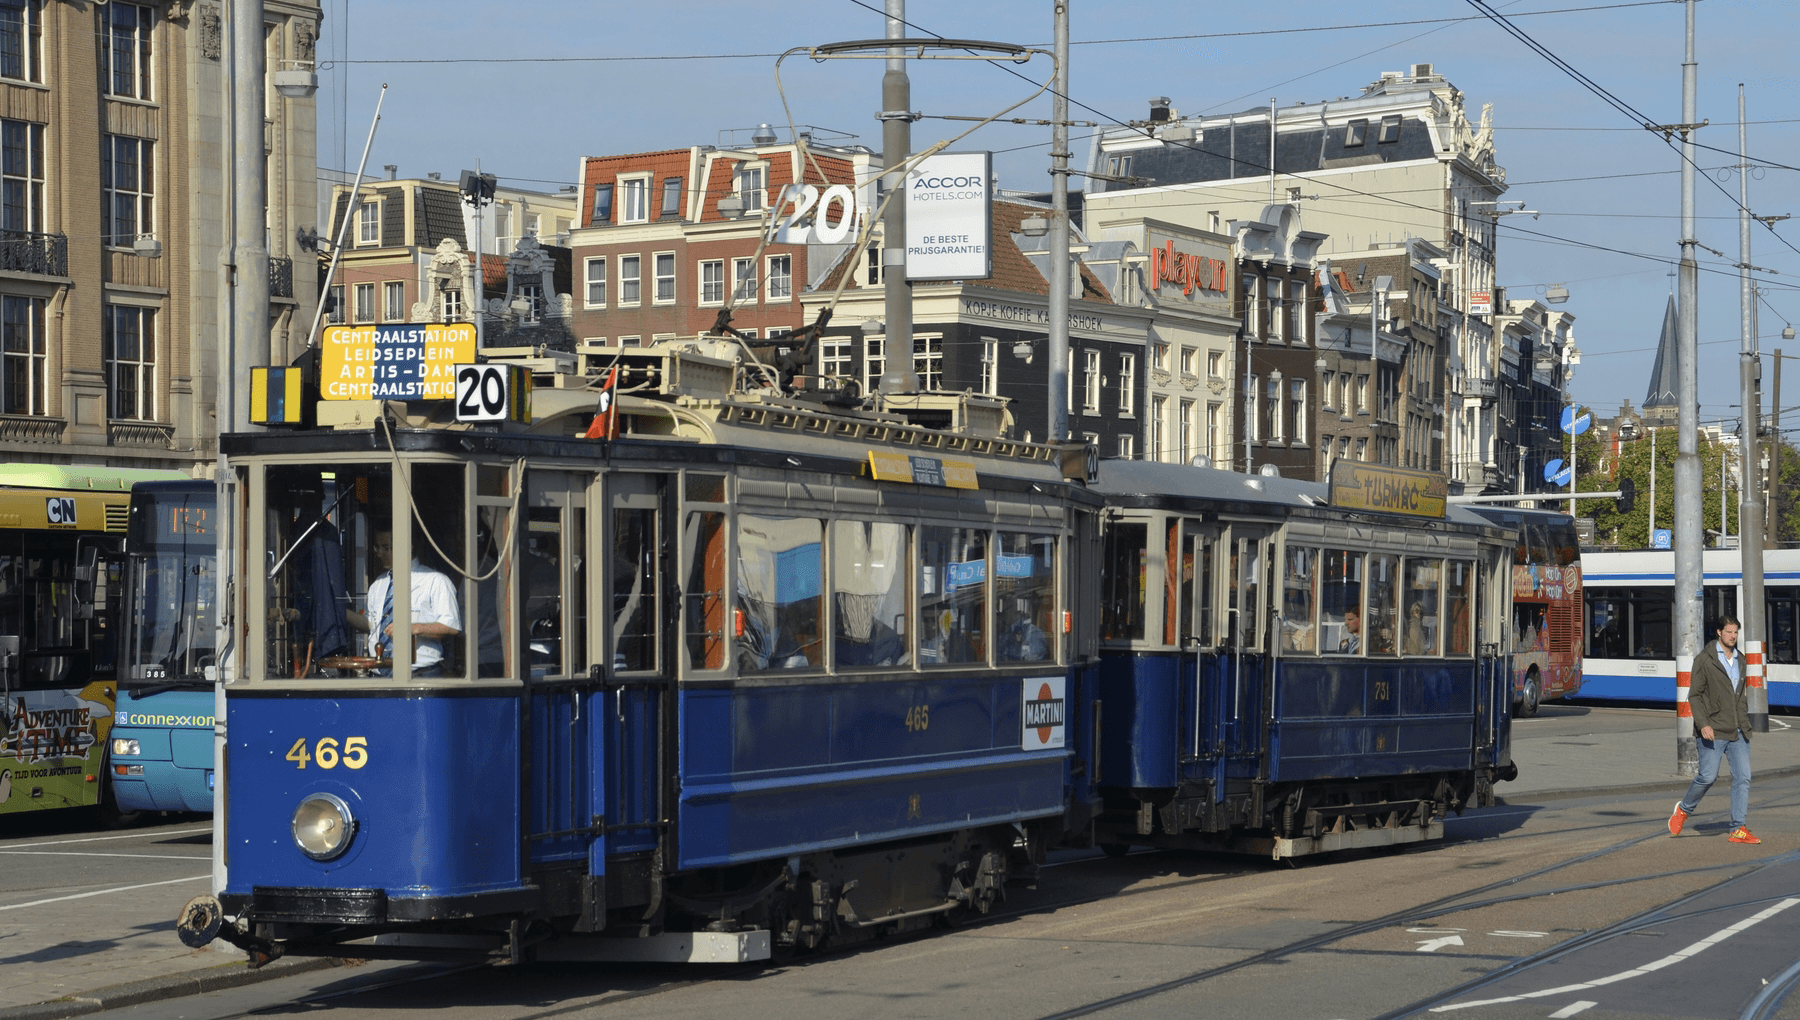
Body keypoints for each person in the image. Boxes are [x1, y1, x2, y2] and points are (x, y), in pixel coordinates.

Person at [1669, 615, 1759, 843]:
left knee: (1743, 777)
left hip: (1738, 730)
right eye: (1729, 632)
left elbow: (1739, 696)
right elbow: (1695, 695)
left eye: (1735, 633)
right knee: (1708, 777)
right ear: (1719, 632)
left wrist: (1745, 722)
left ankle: (1738, 828)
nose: (1733, 636)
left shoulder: (1741, 660)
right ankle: (1684, 810)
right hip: (1713, 729)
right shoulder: (1705, 660)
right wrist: (1703, 724)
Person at [363, 527, 463, 677]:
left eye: (386, 548)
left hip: (419, 675)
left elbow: (451, 626)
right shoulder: (379, 584)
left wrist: (413, 628)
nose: (379, 554)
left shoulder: (436, 581)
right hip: (378, 676)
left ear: (407, 547)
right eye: (377, 547)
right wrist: (341, 613)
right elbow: (372, 624)